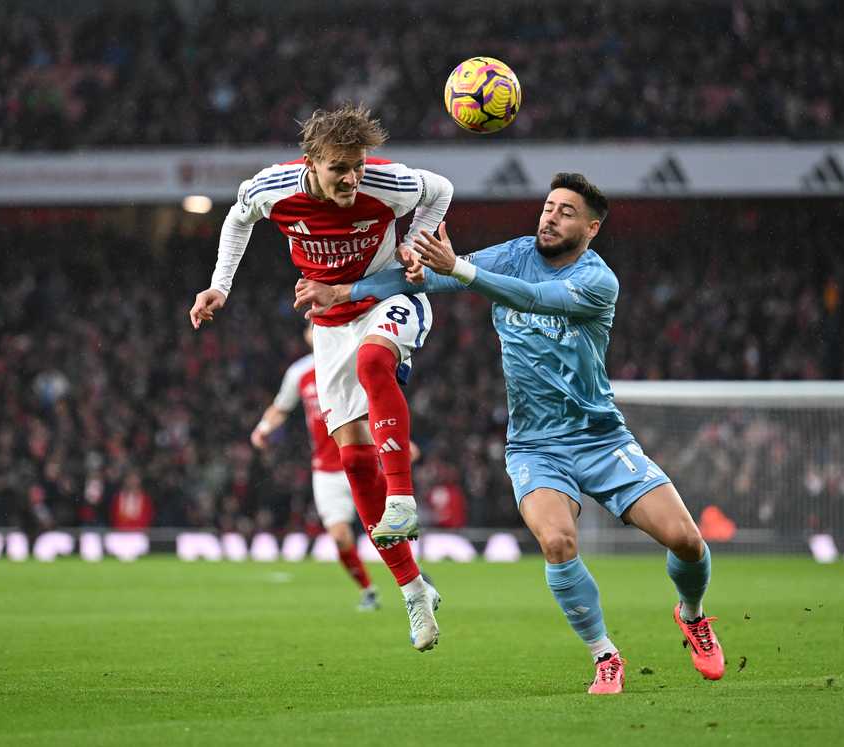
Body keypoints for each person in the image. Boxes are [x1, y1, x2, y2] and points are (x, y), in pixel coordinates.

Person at [296, 173, 724, 692]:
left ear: (591, 228)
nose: (551, 216)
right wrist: (347, 289)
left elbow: (534, 298)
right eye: (548, 206)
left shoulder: (598, 279)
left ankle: (693, 615)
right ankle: (604, 655)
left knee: (686, 540)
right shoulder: (513, 253)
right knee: (558, 542)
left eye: (566, 211)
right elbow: (424, 279)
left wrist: (463, 269)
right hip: (535, 446)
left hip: (601, 438)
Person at [189, 104, 452, 652]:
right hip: (329, 323)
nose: (351, 178)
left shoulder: (387, 182)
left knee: (376, 361)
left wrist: (415, 243)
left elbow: (442, 189)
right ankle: (413, 589)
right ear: (312, 162)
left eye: (356, 166)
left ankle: (402, 498)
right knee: (354, 459)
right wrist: (220, 287)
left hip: (388, 299)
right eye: (338, 168)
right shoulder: (273, 188)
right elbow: (237, 219)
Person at [251, 324, 379, 612]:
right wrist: (263, 428)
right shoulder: (299, 373)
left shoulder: (352, 358)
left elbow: (377, 404)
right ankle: (368, 590)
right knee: (339, 535)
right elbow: (281, 407)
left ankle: (415, 577)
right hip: (326, 469)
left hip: (363, 458)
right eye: (311, 326)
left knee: (386, 528)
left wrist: (398, 440)